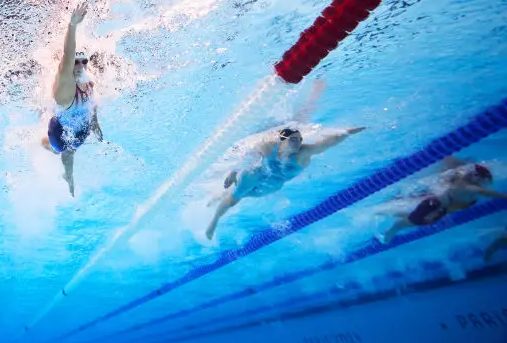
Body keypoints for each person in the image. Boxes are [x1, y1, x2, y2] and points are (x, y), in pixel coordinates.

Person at [206, 125, 366, 240]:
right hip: (253, 176)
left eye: (300, 139)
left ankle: (220, 195)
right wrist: (233, 172)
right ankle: (214, 220)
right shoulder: (268, 146)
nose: (298, 143)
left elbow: (328, 142)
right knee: (235, 197)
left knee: (241, 194)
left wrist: (346, 132)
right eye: (293, 140)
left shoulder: (303, 153)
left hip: (272, 186)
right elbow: (247, 155)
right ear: (282, 140)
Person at [41, 2, 102, 196]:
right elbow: (68, 54)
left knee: (72, 150)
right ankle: (43, 146)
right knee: (61, 150)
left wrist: (95, 123)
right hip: (61, 132)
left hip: (81, 127)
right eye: (76, 62)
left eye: (84, 61)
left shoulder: (87, 80)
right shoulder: (66, 87)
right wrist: (72, 25)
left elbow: (92, 103)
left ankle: (68, 175)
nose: (81, 65)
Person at [382, 157, 507, 244]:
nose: (482, 182)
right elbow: (487, 193)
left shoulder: (461, 182)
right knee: (408, 223)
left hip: (435, 205)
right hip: (434, 206)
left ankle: (386, 213)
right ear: (477, 177)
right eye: (481, 179)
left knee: (411, 217)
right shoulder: (467, 186)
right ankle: (389, 232)